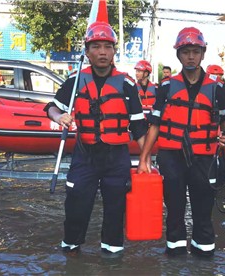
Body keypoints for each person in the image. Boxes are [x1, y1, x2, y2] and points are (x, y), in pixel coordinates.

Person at [44, 21, 148, 255]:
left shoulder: (127, 84)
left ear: (114, 51)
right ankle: (71, 251)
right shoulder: (75, 80)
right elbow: (50, 107)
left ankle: (112, 254)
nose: (102, 52)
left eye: (107, 47)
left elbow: (139, 127)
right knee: (76, 204)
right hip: (85, 154)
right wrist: (59, 116)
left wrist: (145, 159)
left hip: (117, 157)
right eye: (96, 46)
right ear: (87, 51)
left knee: (115, 208)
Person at [137, 27, 225, 257]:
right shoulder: (166, 87)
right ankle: (175, 256)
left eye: (195, 51)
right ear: (178, 55)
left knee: (203, 210)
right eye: (185, 52)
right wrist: (144, 159)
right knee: (174, 209)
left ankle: (204, 258)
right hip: (172, 157)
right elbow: (155, 125)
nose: (190, 56)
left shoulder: (217, 88)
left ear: (203, 53)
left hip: (204, 158)